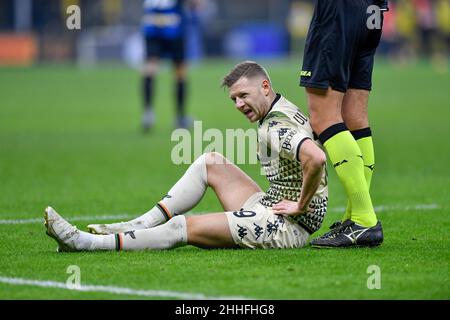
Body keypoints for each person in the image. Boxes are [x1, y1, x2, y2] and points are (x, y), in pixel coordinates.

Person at [44, 61, 330, 252]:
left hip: (288, 226)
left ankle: (87, 244)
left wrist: (300, 205)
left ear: (265, 87)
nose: (239, 104)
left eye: (243, 95)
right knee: (211, 161)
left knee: (182, 227)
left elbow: (315, 158)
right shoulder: (282, 107)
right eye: (234, 99)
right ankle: (140, 224)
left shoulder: (274, 125)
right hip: (273, 205)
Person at [299, 0, 387, 247]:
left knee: (323, 116)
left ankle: (364, 220)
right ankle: (356, 217)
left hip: (340, 10)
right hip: (373, 10)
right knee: (354, 116)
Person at [141, 0, 195, 131]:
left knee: (150, 68)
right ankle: (180, 116)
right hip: (173, 26)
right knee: (180, 71)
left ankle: (148, 113)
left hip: (151, 25)